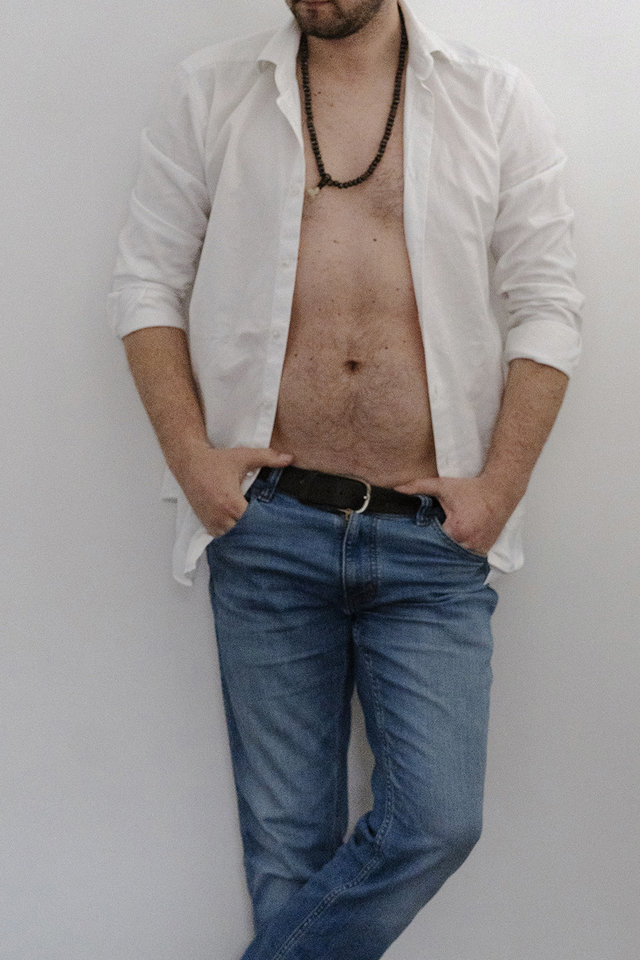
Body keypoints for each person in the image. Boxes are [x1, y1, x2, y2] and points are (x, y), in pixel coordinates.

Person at [107, 0, 584, 956]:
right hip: (268, 526)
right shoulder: (212, 91)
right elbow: (146, 282)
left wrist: (499, 488)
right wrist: (194, 462)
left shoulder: (493, 98)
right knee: (288, 845)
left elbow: (548, 302)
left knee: (437, 821)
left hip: (430, 538)